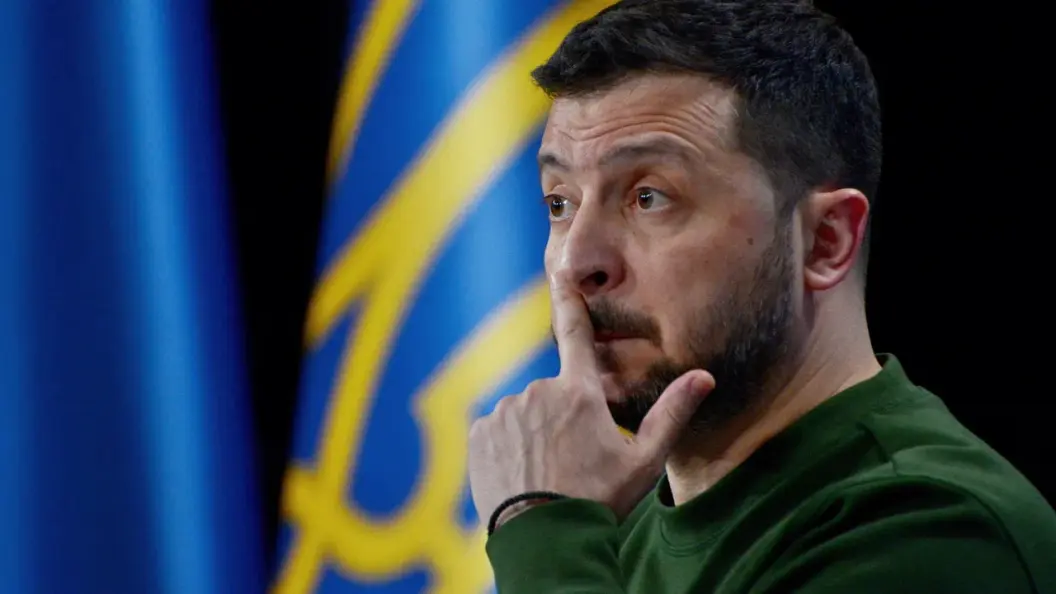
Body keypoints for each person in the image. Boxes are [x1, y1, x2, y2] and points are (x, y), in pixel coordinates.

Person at [466, 1, 1056, 592]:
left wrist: (538, 527)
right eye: (560, 203)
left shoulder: (931, 533)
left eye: (649, 197)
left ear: (825, 241)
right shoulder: (611, 533)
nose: (575, 262)